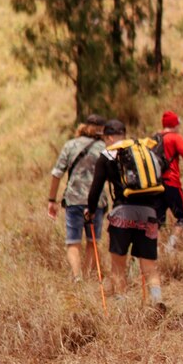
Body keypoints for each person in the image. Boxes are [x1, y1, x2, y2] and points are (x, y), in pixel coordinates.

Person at [85, 119, 165, 309]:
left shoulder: (107, 156)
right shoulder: (142, 151)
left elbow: (96, 188)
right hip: (149, 214)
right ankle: (157, 300)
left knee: (118, 266)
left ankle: (123, 307)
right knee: (149, 265)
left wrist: (91, 210)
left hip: (122, 214)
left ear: (109, 137)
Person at [47, 114, 107, 282]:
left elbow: (57, 173)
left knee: (73, 242)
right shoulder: (104, 148)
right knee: (92, 241)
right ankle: (87, 276)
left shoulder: (70, 145)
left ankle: (77, 276)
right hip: (97, 201)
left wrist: (52, 200)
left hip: (74, 199)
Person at [155, 110, 183, 250]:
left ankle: (155, 250)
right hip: (171, 182)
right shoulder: (174, 137)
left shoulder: (155, 138)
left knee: (157, 221)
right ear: (174, 124)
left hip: (155, 185)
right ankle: (170, 248)